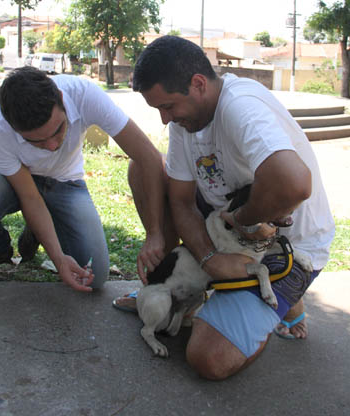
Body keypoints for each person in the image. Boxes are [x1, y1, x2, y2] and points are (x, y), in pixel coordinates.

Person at [113, 35, 335, 380]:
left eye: (167, 107)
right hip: (222, 223)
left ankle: (282, 300)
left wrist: (240, 222)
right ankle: (171, 289)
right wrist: (210, 258)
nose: (164, 119)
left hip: (283, 244)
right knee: (144, 172)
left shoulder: (241, 106)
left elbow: (295, 185)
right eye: (158, 109)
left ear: (198, 84)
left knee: (208, 359)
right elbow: (181, 201)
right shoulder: (189, 119)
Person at [0, 66, 165, 293]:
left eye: (58, 130)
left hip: (66, 183)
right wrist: (58, 258)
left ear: (62, 100)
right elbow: (30, 197)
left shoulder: (84, 94)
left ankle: (39, 230)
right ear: (10, 125)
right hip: (15, 183)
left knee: (94, 278)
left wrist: (154, 232)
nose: (52, 146)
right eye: (35, 142)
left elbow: (149, 157)